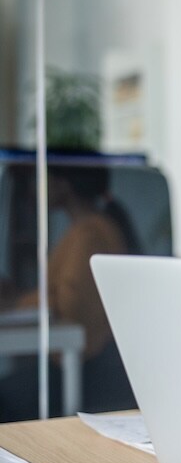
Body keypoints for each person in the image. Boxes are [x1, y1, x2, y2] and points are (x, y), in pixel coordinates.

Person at [0, 164, 138, 420]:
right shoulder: (84, 229)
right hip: (83, 364)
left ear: (63, 184)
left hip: (88, 370)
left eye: (44, 179)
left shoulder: (90, 233)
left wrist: (17, 302)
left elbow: (71, 306)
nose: (36, 189)